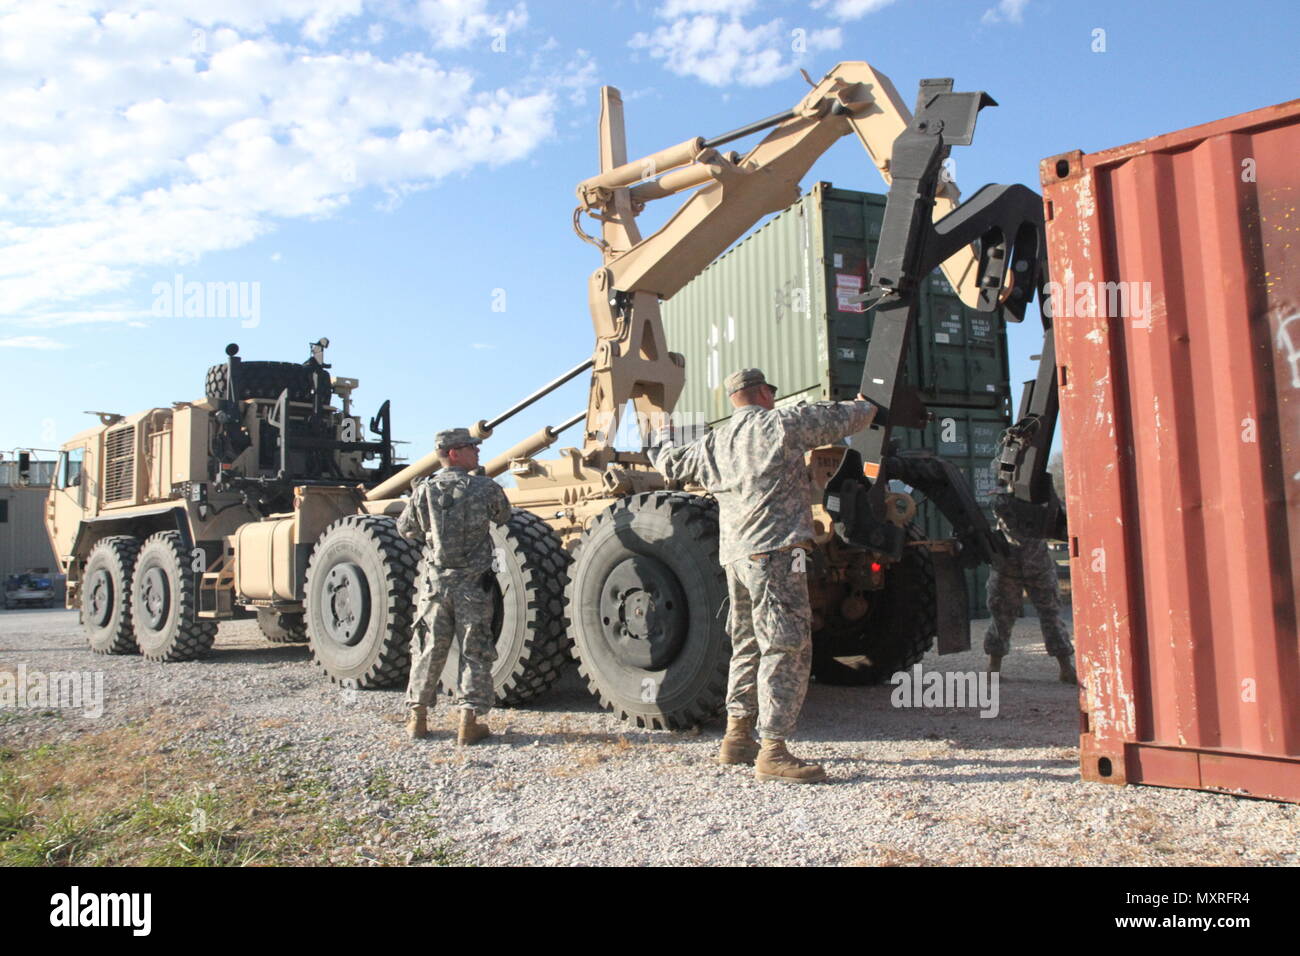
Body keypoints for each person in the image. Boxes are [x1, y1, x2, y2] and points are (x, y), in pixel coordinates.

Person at [649, 368, 875, 783]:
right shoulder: (781, 423)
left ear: (734, 399)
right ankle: (773, 749)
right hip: (776, 552)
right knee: (786, 645)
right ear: (765, 394)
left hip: (735, 557)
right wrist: (867, 405)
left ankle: (736, 737)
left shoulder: (713, 442)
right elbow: (841, 418)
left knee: (748, 642)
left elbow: (670, 462)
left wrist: (659, 435)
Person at [398, 427, 512, 744]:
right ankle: (468, 722)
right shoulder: (485, 487)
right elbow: (504, 516)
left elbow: (405, 528)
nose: (477, 452)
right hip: (473, 586)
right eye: (470, 448)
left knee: (428, 648)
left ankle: (418, 719)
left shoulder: (423, 490)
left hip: (435, 586)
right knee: (475, 651)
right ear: (452, 453)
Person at [983, 491, 1076, 684]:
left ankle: (1066, 668)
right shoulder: (1008, 497)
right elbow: (999, 504)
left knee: (1050, 616)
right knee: (1002, 616)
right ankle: (993, 668)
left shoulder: (1036, 495)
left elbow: (1057, 515)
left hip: (1030, 565)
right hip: (1012, 565)